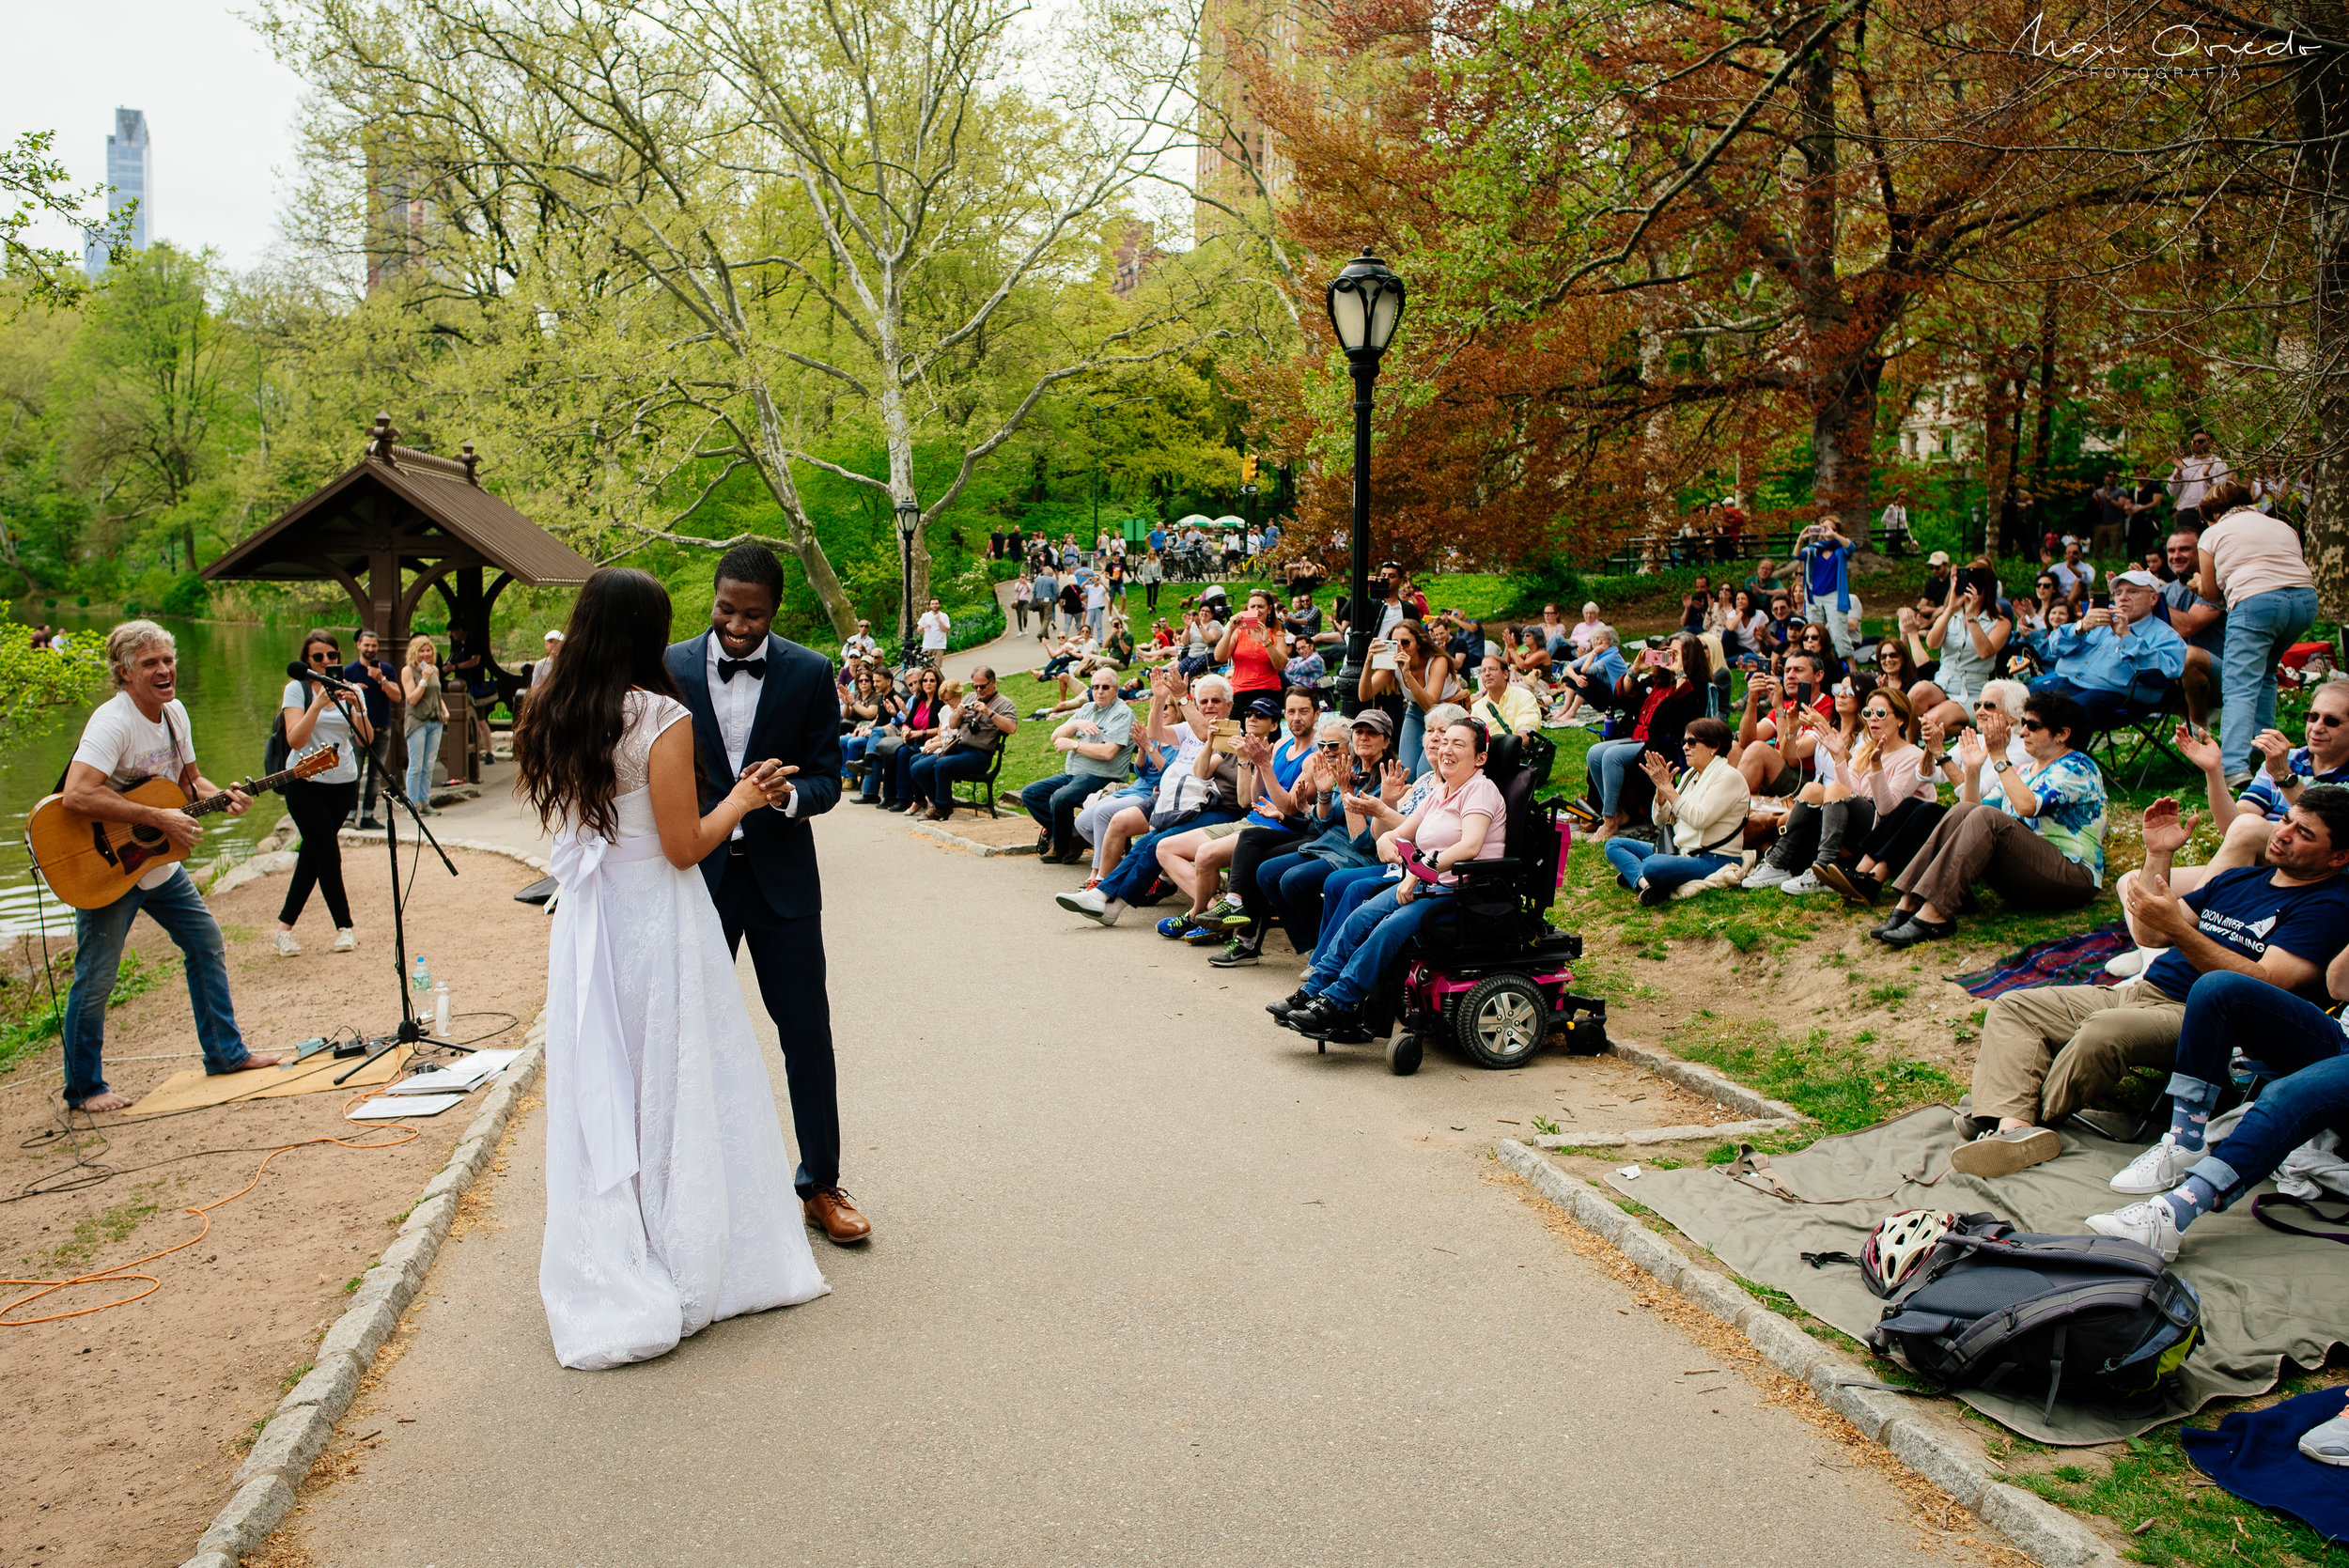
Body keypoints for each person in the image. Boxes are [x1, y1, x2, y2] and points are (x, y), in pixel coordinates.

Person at [513, 567, 828, 1369]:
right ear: (649, 632)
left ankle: (622, 1239)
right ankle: (683, 1244)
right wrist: (747, 797)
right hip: (657, 914)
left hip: (592, 922)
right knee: (678, 1075)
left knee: (611, 1074)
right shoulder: (660, 715)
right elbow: (685, 843)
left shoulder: (549, 706)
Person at [1949, 785, 2349, 1177]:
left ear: (2339, 858)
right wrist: (2159, 853)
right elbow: (2151, 934)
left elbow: (2268, 983)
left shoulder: (2329, 907)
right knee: (2014, 1006)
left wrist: (2181, 929)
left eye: (2304, 833)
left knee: (2103, 1032)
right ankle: (2013, 1128)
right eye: (2287, 820)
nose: (2282, 833)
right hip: (2145, 990)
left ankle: (2002, 1115)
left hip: (2202, 1019)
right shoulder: (2240, 880)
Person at [658, 544, 866, 1244]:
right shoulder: (672, 667)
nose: (737, 625)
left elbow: (830, 779)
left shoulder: (809, 672)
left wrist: (786, 798)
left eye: (753, 614)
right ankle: (686, 1190)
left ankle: (822, 1185)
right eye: (726, 609)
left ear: (775, 610)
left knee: (807, 1035)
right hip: (697, 881)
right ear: (711, 600)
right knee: (688, 1036)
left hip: (782, 884)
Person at [54, 622, 283, 1111]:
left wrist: (222, 796)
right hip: (108, 864)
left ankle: (225, 1054)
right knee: (96, 976)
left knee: (206, 943)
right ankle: (84, 1088)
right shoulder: (111, 723)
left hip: (157, 862)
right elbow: (76, 794)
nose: (164, 670)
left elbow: (188, 781)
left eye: (167, 660)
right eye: (150, 664)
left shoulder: (175, 714)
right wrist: (156, 816)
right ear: (124, 673)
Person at [2084, 959, 2349, 1260]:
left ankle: (2171, 1218)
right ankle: (2186, 1142)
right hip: (2342, 1037)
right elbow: (2338, 987)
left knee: (2284, 1094)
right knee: (2217, 989)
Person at [1277, 718, 1508, 1039]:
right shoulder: (1441, 792)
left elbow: (1469, 845)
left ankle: (1338, 1003)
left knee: (1386, 928)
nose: (1446, 750)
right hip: (1430, 885)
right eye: (1444, 742)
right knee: (1359, 917)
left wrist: (1417, 871)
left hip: (1462, 892)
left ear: (1479, 757)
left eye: (1458, 744)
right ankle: (1314, 991)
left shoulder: (1480, 790)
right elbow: (1400, 831)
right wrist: (1388, 841)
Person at [1870, 691, 2106, 948]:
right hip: (2030, 873)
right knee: (1963, 811)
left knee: (1987, 817)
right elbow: (1972, 812)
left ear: (2062, 734)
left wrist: (1998, 758)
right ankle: (1909, 902)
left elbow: (2027, 806)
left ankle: (1936, 914)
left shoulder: (2078, 767)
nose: (2023, 731)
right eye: (2024, 723)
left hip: (2072, 876)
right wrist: (1971, 770)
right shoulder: (2025, 770)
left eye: (2033, 726)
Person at [1057, 672, 1241, 926]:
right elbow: (1155, 732)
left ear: (1229, 705)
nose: (1209, 706)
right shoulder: (1190, 726)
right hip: (1179, 801)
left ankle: (1106, 897)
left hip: (1213, 806)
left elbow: (1204, 748)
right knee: (1148, 838)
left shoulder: (1231, 730)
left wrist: (1181, 698)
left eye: (1216, 701)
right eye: (1204, 701)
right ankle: (1106, 900)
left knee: (1157, 841)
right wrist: (1158, 698)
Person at [2198, 480, 2319, 782]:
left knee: (2239, 684)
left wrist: (2197, 583)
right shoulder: (2280, 525)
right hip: (2304, 602)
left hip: (2256, 601)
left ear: (2214, 513)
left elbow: (2211, 594)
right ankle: (2266, 754)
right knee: (2265, 673)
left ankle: (2234, 767)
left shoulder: (2212, 534)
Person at [276, 629, 374, 957]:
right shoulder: (297, 690)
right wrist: (318, 704)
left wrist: (357, 707)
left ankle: (283, 930)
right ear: (306, 660)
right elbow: (295, 740)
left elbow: (365, 740)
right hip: (304, 783)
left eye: (332, 656)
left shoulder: (349, 689)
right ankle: (344, 927)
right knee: (328, 853)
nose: (326, 662)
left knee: (313, 854)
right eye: (318, 657)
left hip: (343, 782)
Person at [1605, 717, 1749, 903]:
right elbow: (1661, 821)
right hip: (1681, 851)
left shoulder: (1729, 777)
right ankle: (1645, 884)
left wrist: (1670, 790)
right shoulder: (1691, 774)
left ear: (1714, 747)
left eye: (1692, 742)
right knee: (1614, 845)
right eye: (1684, 742)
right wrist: (1661, 793)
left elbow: (1699, 819)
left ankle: (1639, 874)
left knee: (1651, 865)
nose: (1685, 747)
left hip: (1712, 858)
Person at [1584, 633, 1709, 840]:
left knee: (1611, 756)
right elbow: (1624, 699)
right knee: (1595, 753)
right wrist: (1634, 670)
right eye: (1667, 653)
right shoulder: (1657, 680)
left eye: (1676, 654)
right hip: (1637, 736)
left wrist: (1680, 674)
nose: (1670, 658)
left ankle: (1609, 820)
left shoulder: (1694, 686)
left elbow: (1682, 718)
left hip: (1663, 742)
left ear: (1689, 658)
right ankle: (1617, 811)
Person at [2029, 568, 2187, 731]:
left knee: (2064, 714)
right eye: (2118, 593)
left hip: (2112, 694)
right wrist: (2081, 627)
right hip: (2068, 681)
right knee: (2010, 697)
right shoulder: (2099, 620)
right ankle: (2009, 752)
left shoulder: (2167, 636)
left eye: (2132, 591)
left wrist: (2126, 636)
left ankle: (2055, 755)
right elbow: (2053, 647)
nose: (2123, 597)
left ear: (2153, 598)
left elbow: (2168, 672)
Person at [1022, 674, 1135, 861]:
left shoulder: (1122, 714)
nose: (1099, 691)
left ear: (1116, 690)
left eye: (1105, 687)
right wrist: (1076, 723)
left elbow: (1108, 752)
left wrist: (1074, 745)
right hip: (1075, 775)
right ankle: (1076, 836)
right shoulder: (1086, 709)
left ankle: (1061, 847)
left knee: (1060, 798)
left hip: (1103, 777)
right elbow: (1055, 737)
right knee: (1031, 794)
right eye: (1095, 687)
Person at [906, 664, 1017, 822]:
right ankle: (940, 803)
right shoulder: (970, 697)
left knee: (942, 764)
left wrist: (989, 712)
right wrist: (958, 712)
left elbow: (1012, 728)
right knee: (917, 768)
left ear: (993, 683)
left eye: (982, 686)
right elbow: (952, 725)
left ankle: (941, 807)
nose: (978, 690)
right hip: (957, 747)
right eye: (975, 686)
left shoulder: (1004, 703)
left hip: (979, 755)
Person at [1357, 617, 1456, 779]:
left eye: (1406, 642)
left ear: (1419, 643)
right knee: (1406, 773)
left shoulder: (1438, 661)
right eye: (1395, 643)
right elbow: (1364, 695)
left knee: (1427, 772)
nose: (1401, 648)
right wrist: (1369, 662)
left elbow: (1430, 705)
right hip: (1416, 711)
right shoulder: (1393, 664)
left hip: (1445, 713)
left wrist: (1407, 674)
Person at [342, 629, 400, 829]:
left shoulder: (387, 669)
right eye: (366, 645)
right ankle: (349, 815)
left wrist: (381, 679)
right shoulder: (349, 671)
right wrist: (352, 690)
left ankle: (368, 815)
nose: (370, 649)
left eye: (374, 645)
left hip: (382, 730)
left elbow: (397, 697)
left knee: (376, 776)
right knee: (354, 773)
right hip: (356, 731)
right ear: (359, 645)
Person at [1795, 516, 1859, 662]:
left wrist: (1833, 534)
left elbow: (1851, 547)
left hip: (1834, 595)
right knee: (1813, 631)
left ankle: (1851, 667)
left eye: (1832, 529)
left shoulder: (1840, 550)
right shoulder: (1814, 549)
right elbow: (1797, 555)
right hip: (1814, 595)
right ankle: (1814, 663)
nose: (1828, 532)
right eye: (1824, 528)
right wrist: (1801, 538)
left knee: (1838, 632)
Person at [1217, 587, 1289, 708]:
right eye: (1253, 606)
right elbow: (1219, 657)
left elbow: (1281, 665)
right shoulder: (1238, 632)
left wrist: (1266, 642)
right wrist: (1230, 629)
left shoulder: (1276, 632)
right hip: (1240, 691)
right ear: (1247, 609)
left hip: (1268, 691)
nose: (1256, 610)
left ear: (1269, 609)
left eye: (1260, 607)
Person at [400, 635, 446, 813]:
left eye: (428, 650)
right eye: (422, 650)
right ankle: (412, 805)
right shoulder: (408, 670)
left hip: (435, 721)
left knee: (429, 764)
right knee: (416, 765)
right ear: (415, 652)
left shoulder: (434, 669)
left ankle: (425, 802)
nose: (425, 654)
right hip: (417, 721)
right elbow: (412, 698)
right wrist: (424, 679)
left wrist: (444, 710)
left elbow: (437, 693)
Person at [1465, 652, 1542, 736]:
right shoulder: (1477, 708)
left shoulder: (1523, 696)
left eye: (1492, 669)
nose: (1487, 673)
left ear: (1505, 674)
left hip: (1517, 747)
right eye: (1483, 671)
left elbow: (1526, 734)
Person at [2167, 428, 2232, 521]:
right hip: (2186, 511)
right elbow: (2172, 492)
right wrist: (2179, 472)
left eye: (2201, 441)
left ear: (2210, 442)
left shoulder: (2218, 463)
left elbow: (2221, 492)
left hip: (2210, 512)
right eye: (2194, 442)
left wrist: (2207, 477)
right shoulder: (2184, 463)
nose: (2197, 444)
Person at [2050, 537, 2096, 609]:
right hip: (2059, 598)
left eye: (2075, 553)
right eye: (2069, 553)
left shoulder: (2087, 568)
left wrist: (2071, 567)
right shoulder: (2056, 568)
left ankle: (2066, 607)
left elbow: (2088, 580)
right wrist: (2045, 565)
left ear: (2081, 555)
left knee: (2080, 581)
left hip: (2079, 599)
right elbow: (2042, 578)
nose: (2071, 555)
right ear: (2065, 555)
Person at [917, 598, 952, 664]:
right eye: (932, 604)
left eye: (936, 604)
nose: (934, 605)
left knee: (936, 668)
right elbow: (918, 630)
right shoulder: (925, 616)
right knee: (925, 667)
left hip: (939, 646)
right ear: (930, 605)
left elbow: (946, 630)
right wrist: (924, 626)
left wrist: (939, 621)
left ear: (939, 605)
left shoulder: (944, 616)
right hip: (927, 646)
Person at [1030, 566, 1057, 641]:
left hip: (1039, 599)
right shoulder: (1052, 580)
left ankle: (1045, 635)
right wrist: (1056, 600)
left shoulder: (1038, 579)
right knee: (1047, 617)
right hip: (1048, 600)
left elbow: (1034, 591)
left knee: (1042, 617)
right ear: (1050, 573)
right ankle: (1041, 633)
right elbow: (1056, 592)